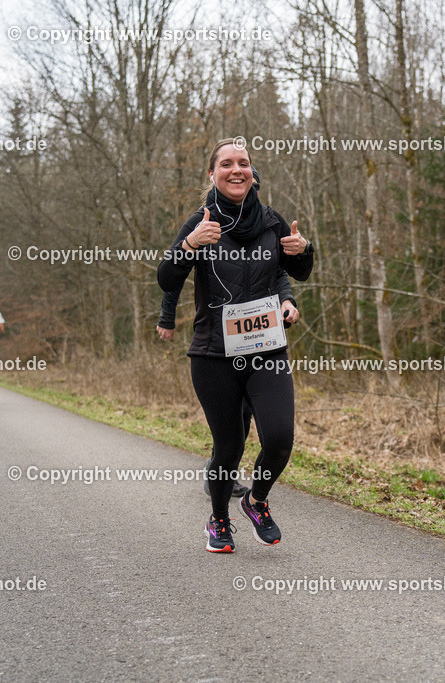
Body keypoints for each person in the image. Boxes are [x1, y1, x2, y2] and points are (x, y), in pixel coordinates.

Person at [158, 138, 313, 552]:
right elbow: (167, 279)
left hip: (266, 349)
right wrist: (190, 245)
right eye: (226, 164)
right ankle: (219, 520)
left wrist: (303, 252)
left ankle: (257, 501)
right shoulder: (201, 222)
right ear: (213, 174)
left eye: (243, 163)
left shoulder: (271, 220)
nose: (236, 170)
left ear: (252, 172)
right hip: (214, 354)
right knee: (229, 445)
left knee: (279, 438)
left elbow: (293, 272)